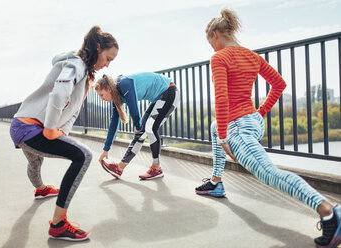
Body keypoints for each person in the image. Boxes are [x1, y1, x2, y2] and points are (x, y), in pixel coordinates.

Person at [194, 8, 341, 248]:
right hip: (252, 121)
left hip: (237, 128)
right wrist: (260, 112)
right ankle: (216, 182)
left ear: (214, 35)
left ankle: (329, 211)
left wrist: (224, 139)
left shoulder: (219, 58)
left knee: (268, 173)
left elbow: (221, 100)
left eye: (209, 41)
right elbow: (279, 84)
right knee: (214, 126)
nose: (210, 47)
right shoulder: (253, 56)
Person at [9, 26, 118, 241]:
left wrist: (59, 133)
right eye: (108, 58)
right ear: (97, 47)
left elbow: (70, 114)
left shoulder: (83, 72)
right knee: (84, 155)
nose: (107, 64)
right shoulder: (76, 64)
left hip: (23, 126)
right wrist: (50, 129)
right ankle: (58, 224)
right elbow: (59, 93)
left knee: (35, 161)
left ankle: (40, 189)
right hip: (32, 128)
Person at [95, 72, 180, 180]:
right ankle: (119, 169)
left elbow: (133, 106)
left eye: (102, 95)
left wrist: (138, 126)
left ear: (108, 89)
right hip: (158, 98)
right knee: (140, 134)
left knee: (150, 127)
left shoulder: (123, 83)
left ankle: (156, 168)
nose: (102, 99)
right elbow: (114, 123)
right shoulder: (116, 98)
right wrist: (105, 149)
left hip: (169, 91)